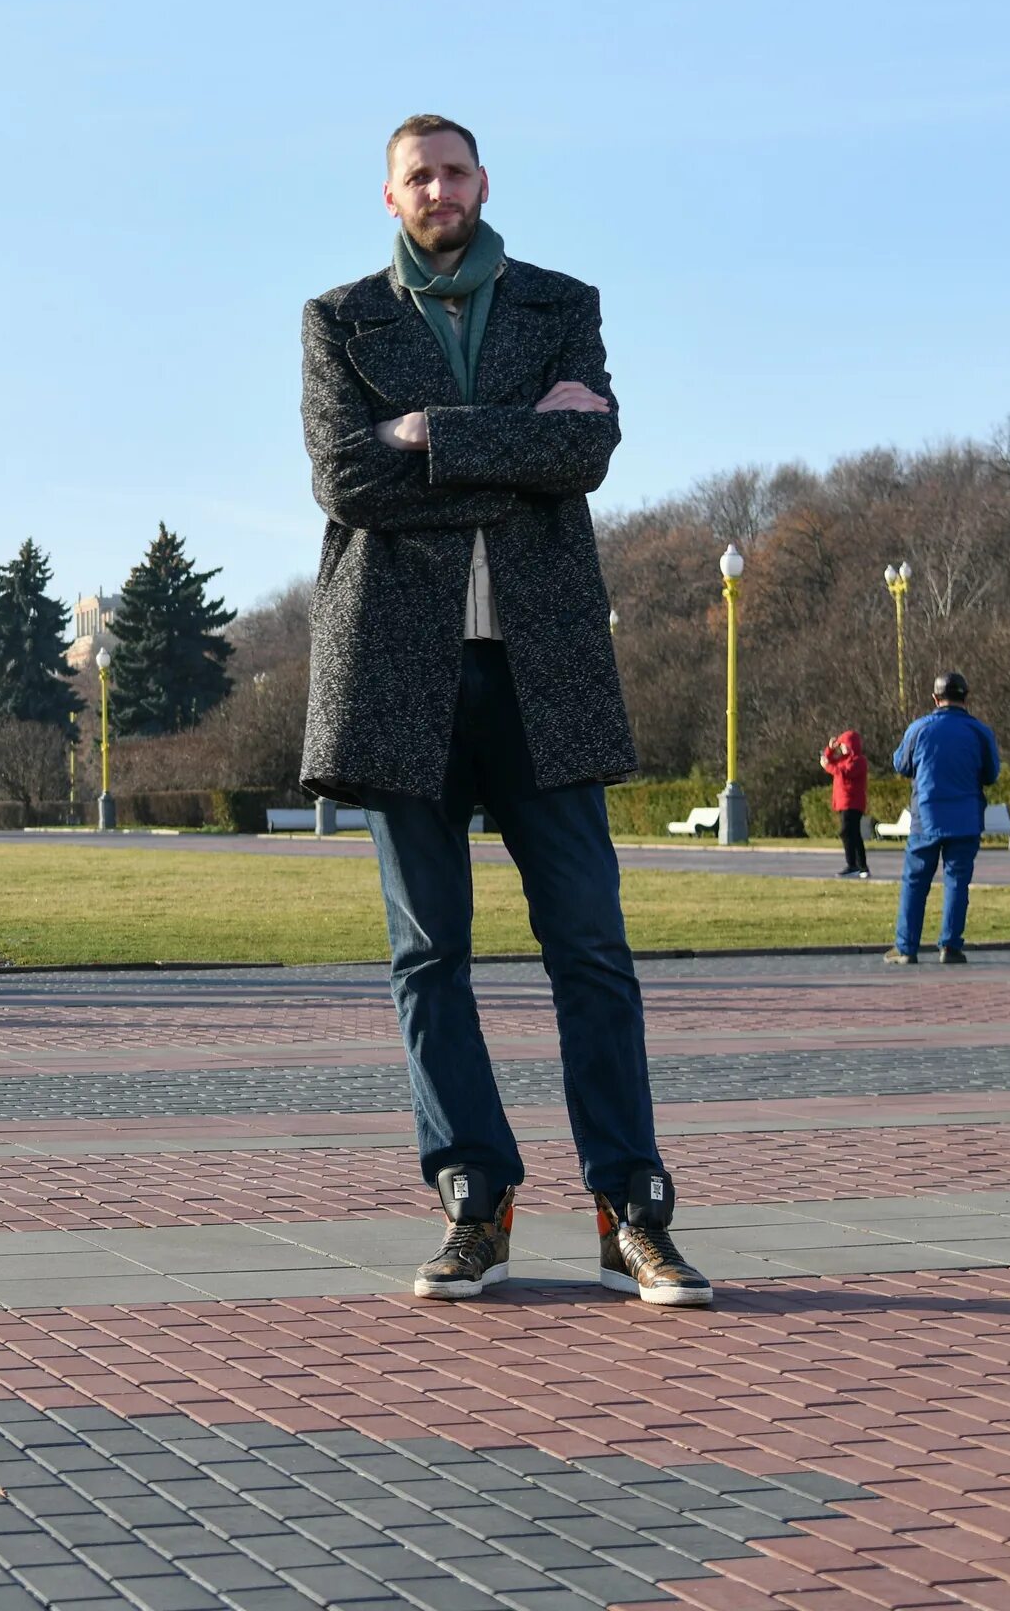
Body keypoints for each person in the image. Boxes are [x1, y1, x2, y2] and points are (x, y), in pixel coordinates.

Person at [298, 112, 709, 1309]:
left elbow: (587, 454)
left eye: (456, 170)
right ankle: (473, 1195)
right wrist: (514, 443)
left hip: (546, 666)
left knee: (591, 943)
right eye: (417, 176)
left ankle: (631, 1202)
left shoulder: (557, 301)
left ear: (485, 182)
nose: (440, 190)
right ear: (389, 197)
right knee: (429, 951)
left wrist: (429, 434)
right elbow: (344, 477)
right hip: (397, 671)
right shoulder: (339, 319)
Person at [888, 671, 1002, 966]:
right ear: (966, 698)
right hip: (966, 818)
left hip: (926, 816)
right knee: (957, 882)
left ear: (935, 699)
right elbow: (991, 774)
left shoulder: (919, 728)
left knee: (915, 882)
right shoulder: (980, 731)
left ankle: (906, 948)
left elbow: (901, 765)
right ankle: (950, 946)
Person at [821, 729, 872, 880]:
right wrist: (830, 748)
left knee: (849, 832)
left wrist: (827, 767)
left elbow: (843, 772)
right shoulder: (843, 759)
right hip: (843, 802)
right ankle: (858, 866)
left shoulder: (858, 761)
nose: (842, 748)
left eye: (844, 745)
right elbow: (831, 761)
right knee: (851, 833)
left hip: (853, 802)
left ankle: (855, 865)